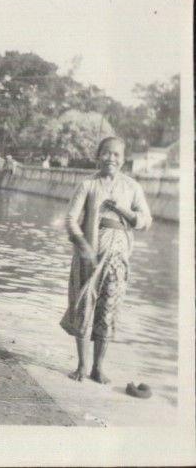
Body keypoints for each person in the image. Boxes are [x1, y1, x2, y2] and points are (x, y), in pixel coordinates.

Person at [59, 137, 152, 384]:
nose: (111, 158)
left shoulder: (132, 187)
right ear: (98, 156)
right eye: (106, 153)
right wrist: (84, 246)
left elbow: (145, 221)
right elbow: (70, 219)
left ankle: (98, 368)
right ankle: (82, 365)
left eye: (117, 155)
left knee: (108, 308)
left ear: (123, 159)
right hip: (88, 256)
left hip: (117, 258)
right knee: (83, 305)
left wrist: (122, 209)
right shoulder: (88, 184)